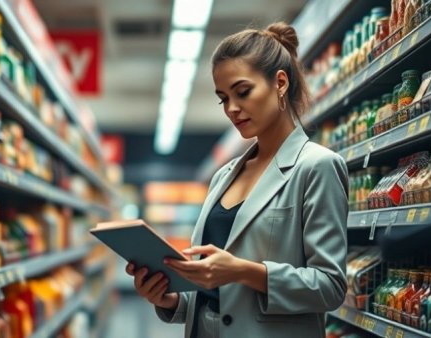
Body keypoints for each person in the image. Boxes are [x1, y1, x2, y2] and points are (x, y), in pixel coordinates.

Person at [126, 21, 349, 338]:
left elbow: (330, 287)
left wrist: (244, 271)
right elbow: (210, 292)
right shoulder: (223, 177)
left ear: (280, 83)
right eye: (222, 98)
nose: (231, 108)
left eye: (242, 92)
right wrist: (169, 298)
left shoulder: (317, 167)